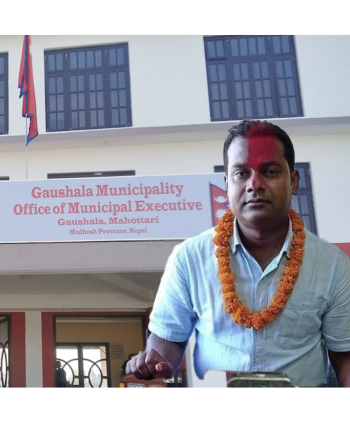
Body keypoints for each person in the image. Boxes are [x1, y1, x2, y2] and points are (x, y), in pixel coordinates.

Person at [126, 120, 350, 387]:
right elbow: (168, 339)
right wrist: (155, 360)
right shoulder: (188, 258)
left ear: (293, 181)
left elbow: (344, 355)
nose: (254, 184)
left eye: (270, 171)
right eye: (241, 174)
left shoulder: (333, 265)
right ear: (226, 185)